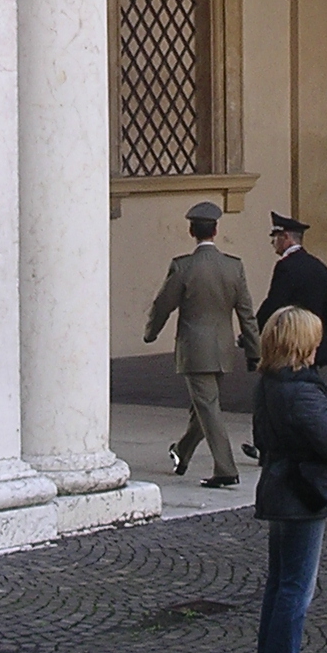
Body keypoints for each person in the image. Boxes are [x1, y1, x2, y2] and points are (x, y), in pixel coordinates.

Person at [251, 306, 327, 653]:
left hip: (280, 487)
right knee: (296, 587)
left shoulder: (269, 384)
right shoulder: (302, 391)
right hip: (302, 493)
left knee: (280, 584)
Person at [144, 200, 260, 489]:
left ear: (191, 231)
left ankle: (225, 468)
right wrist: (254, 351)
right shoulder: (234, 266)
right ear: (216, 230)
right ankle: (181, 452)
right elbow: (246, 312)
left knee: (207, 407)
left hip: (195, 350)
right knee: (204, 406)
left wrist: (151, 332)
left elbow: (163, 304)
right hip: (223, 349)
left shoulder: (183, 266)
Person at [245, 211, 327, 465]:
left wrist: (252, 332)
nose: (273, 243)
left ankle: (265, 445)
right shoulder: (318, 266)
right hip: (313, 343)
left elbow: (274, 304)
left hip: (288, 343)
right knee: (312, 387)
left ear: (286, 237)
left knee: (268, 392)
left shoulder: (286, 267)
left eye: (275, 237)